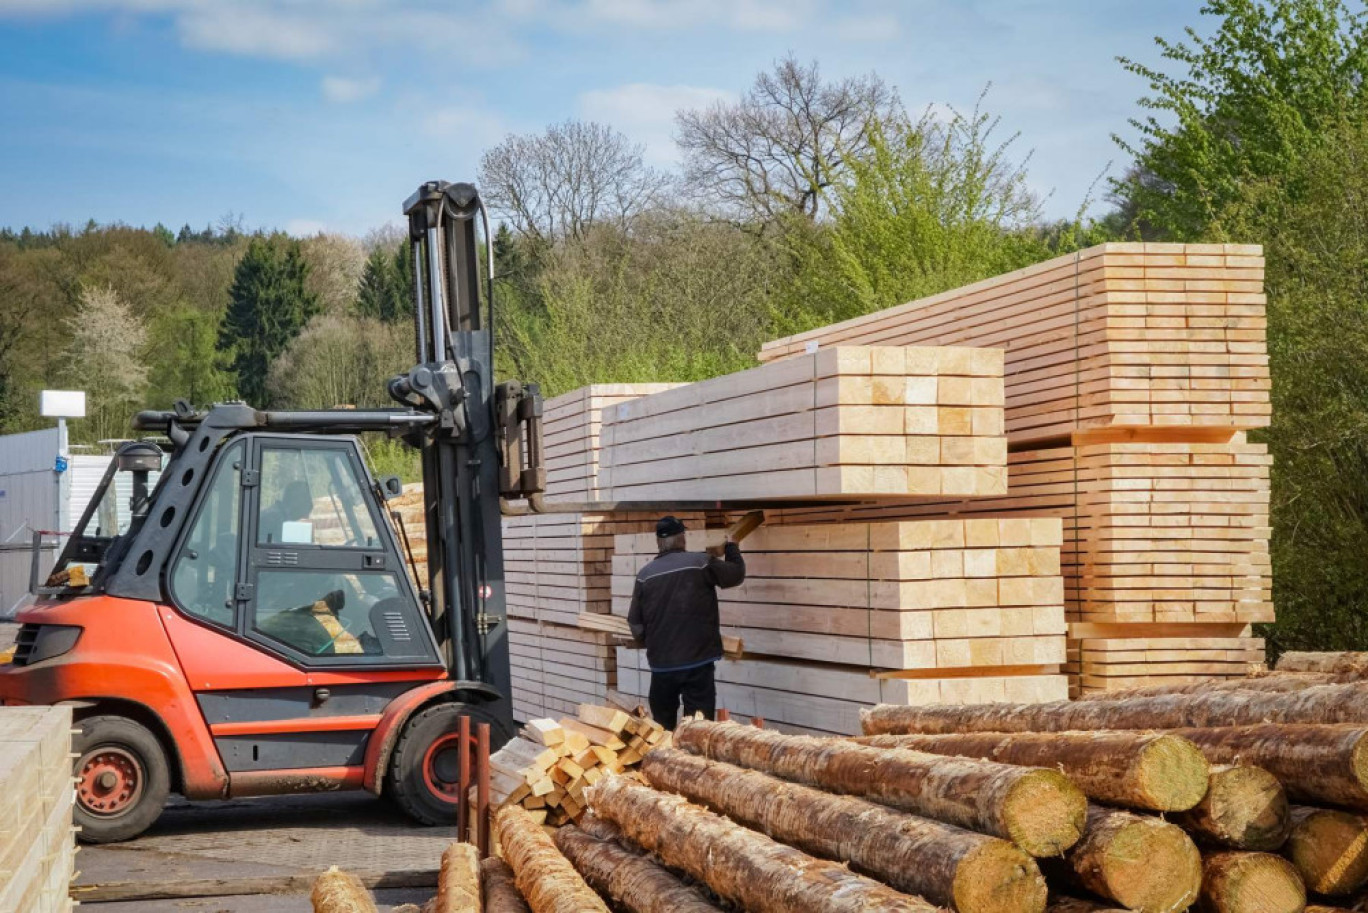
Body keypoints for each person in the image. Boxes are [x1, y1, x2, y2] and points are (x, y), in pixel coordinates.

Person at [627, 516, 746, 729]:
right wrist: (732, 547)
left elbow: (634, 622)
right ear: (682, 537)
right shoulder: (700, 563)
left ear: (659, 542)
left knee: (662, 730)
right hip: (697, 664)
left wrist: (656, 643)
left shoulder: (645, 576)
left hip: (662, 667)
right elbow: (735, 575)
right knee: (699, 730)